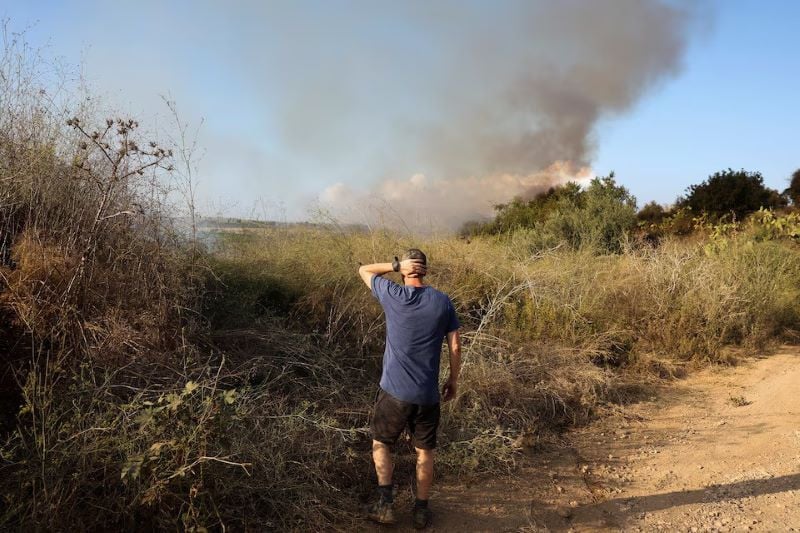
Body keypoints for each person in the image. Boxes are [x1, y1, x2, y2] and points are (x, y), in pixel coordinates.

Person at [357, 248, 461, 529]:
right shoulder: (442, 301)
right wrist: (452, 380)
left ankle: (386, 505)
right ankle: (421, 512)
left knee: (381, 443)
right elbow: (455, 345)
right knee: (425, 452)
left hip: (394, 392)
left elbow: (364, 270)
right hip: (428, 394)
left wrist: (394, 265)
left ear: (405, 269)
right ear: (425, 270)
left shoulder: (393, 294)